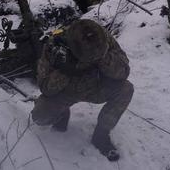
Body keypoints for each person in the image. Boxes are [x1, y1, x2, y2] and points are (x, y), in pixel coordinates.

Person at [31, 19, 134, 161]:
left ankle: (101, 135)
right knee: (40, 117)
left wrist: (102, 58)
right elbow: (45, 88)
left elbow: (124, 71)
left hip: (96, 87)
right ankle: (62, 114)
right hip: (66, 91)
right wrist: (65, 70)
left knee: (126, 89)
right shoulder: (54, 45)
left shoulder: (100, 36)